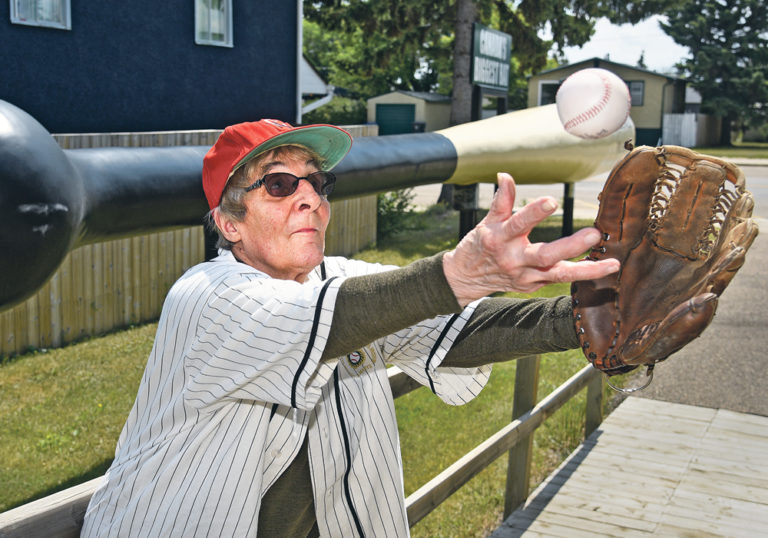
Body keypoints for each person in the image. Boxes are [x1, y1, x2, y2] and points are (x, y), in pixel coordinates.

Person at [81, 119, 619, 537]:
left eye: (317, 181)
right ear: (229, 225)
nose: (310, 197)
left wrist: (598, 316)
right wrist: (459, 273)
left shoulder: (337, 280)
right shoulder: (207, 297)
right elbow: (348, 316)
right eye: (278, 184)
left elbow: (459, 329)